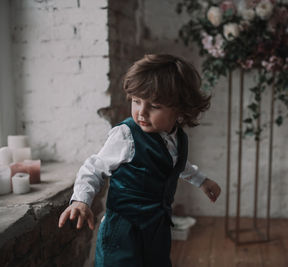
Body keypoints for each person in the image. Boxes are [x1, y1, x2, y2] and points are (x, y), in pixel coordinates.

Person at [58, 54, 221, 267]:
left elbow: (176, 165)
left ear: (179, 109)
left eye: (154, 105)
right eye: (136, 101)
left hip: (157, 228)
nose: (141, 112)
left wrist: (202, 180)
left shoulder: (177, 138)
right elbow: (94, 167)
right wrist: (81, 199)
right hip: (123, 231)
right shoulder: (126, 135)